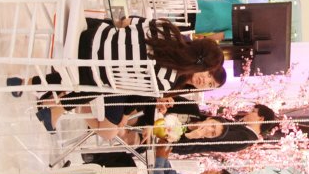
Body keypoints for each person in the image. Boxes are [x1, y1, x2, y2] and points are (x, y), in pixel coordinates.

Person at [30, 17, 225, 132]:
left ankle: (34, 84)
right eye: (208, 76)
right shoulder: (167, 81)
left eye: (209, 83)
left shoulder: (167, 29)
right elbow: (127, 87)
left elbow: (125, 22)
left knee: (103, 79)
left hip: (89, 36)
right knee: (103, 84)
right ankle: (53, 106)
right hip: (88, 67)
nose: (204, 80)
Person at [172, 104, 279, 155]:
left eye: (253, 111)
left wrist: (192, 131)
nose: (248, 113)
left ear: (261, 119)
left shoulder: (245, 138)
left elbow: (213, 135)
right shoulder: (245, 133)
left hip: (184, 139)